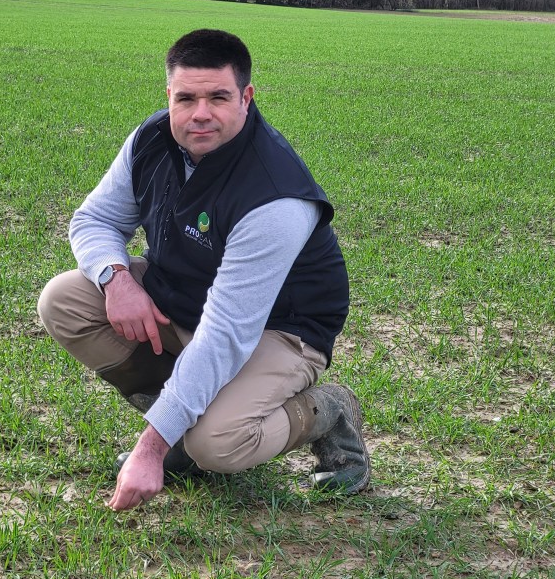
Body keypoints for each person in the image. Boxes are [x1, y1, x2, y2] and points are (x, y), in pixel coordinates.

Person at [38, 29, 370, 512]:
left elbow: (227, 332)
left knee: (217, 444)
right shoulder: (151, 140)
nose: (200, 114)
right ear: (168, 95)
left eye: (218, 97)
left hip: (277, 329)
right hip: (185, 299)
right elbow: (95, 219)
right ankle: (181, 425)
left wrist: (148, 449)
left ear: (246, 97)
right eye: (186, 98)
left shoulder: (274, 196)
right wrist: (118, 279)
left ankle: (330, 412)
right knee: (64, 300)